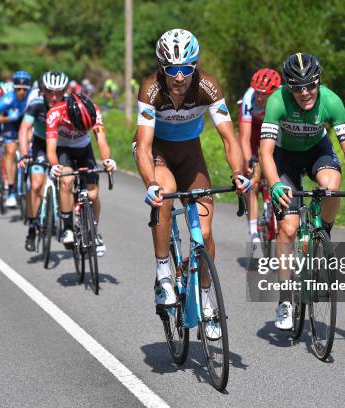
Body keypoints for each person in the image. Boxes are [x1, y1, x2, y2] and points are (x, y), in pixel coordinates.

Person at [133, 29, 250, 333]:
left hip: (190, 154)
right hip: (157, 152)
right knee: (166, 192)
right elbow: (143, 146)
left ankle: (207, 305)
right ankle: (162, 275)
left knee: (205, 233)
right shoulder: (151, 90)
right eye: (173, 69)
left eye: (187, 68)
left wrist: (239, 173)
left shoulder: (207, 87)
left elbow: (229, 139)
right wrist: (150, 184)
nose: (180, 76)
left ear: (195, 65)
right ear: (162, 68)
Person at [259, 53, 345, 330]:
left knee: (332, 187)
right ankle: (286, 298)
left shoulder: (332, 101)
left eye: (310, 85)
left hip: (316, 152)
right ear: (288, 87)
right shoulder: (277, 101)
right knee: (288, 228)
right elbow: (266, 151)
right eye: (297, 88)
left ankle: (322, 236)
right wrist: (274, 184)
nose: (305, 93)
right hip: (285, 158)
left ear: (318, 82)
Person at [46, 93, 116, 254]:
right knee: (67, 180)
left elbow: (101, 140)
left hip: (85, 150)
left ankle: (94, 233)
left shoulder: (94, 111)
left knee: (93, 194)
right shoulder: (55, 113)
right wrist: (55, 165)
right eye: (80, 127)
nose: (82, 130)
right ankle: (68, 228)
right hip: (63, 150)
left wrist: (107, 160)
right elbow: (50, 148)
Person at [18, 71, 68, 252]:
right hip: (40, 144)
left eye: (59, 92)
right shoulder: (36, 105)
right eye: (49, 92)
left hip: (62, 145)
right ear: (42, 91)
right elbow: (24, 129)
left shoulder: (68, 104)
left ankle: (69, 221)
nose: (54, 97)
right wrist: (24, 154)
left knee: (68, 181)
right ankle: (32, 229)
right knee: (36, 185)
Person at [237, 68, 282, 246]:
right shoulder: (249, 98)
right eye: (257, 92)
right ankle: (254, 228)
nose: (260, 98)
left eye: (264, 94)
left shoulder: (281, 98)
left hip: (274, 134)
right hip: (254, 133)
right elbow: (244, 137)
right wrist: (250, 160)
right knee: (253, 179)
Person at [0, 70, 32, 208]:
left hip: (26, 124)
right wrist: (5, 118)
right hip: (10, 125)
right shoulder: (8, 98)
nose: (21, 91)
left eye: (24, 89)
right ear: (14, 87)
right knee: (10, 151)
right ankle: (11, 190)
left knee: (30, 146)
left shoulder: (32, 97)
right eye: (18, 89)